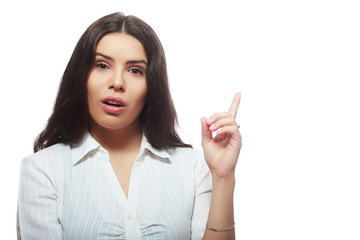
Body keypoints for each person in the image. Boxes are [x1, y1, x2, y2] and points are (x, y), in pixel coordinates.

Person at [17, 12, 242, 240]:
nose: (117, 83)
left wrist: (223, 177)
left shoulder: (193, 168)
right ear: (81, 76)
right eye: (102, 65)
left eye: (135, 70)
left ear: (152, 85)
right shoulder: (42, 171)